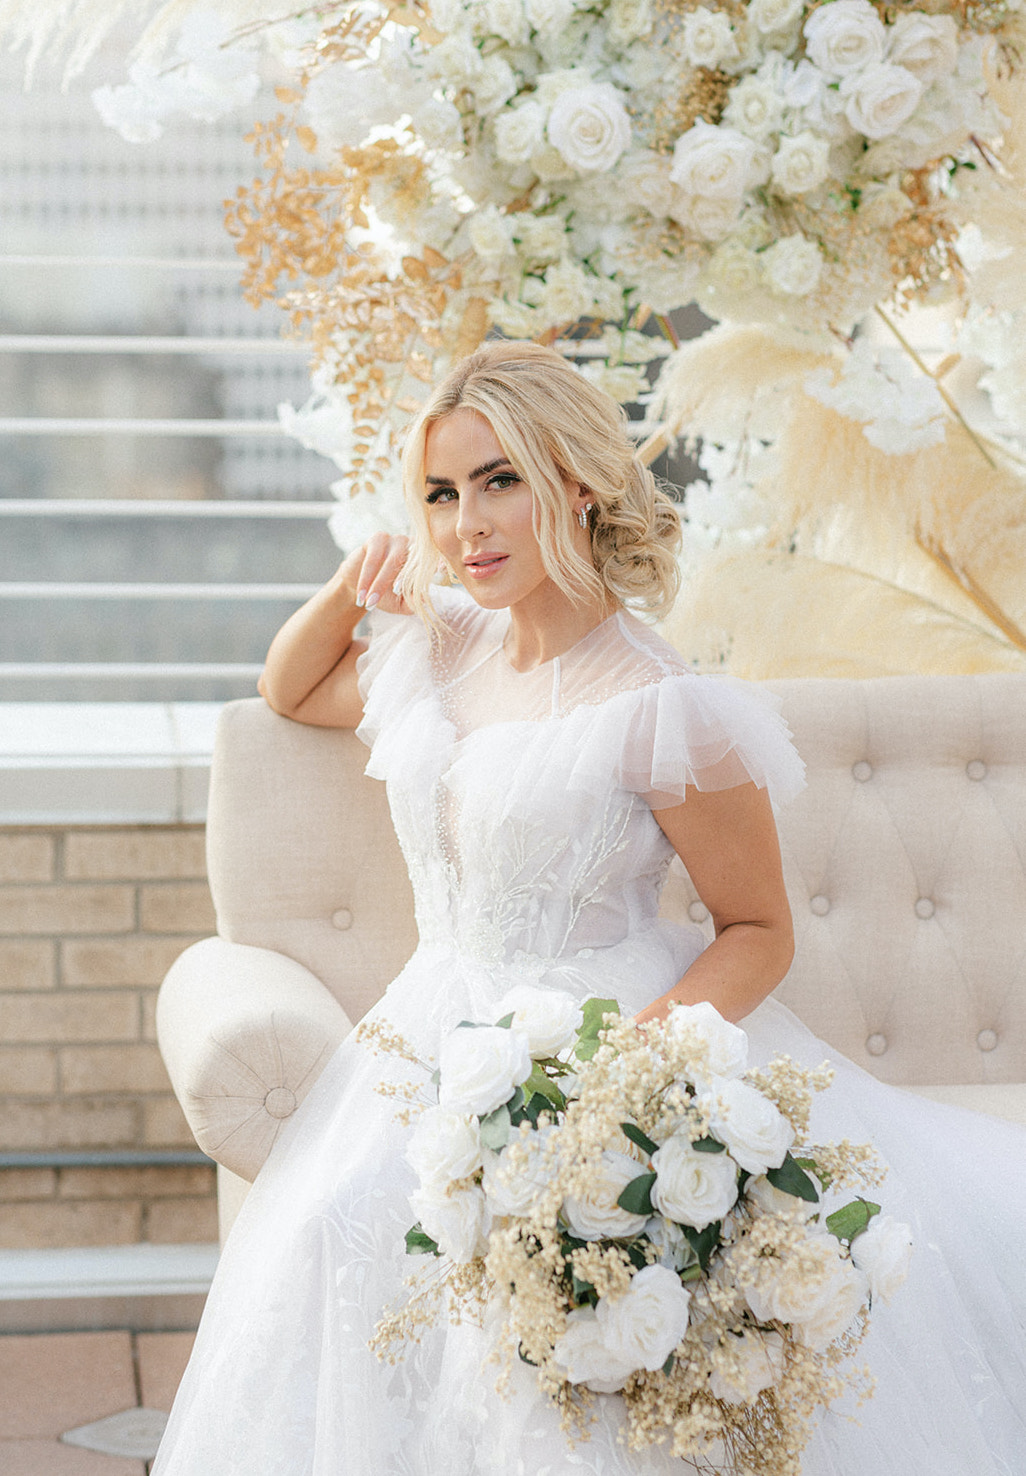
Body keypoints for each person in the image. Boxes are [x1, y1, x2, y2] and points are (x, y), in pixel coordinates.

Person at [153, 342, 1026, 1475]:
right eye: (440, 494)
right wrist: (352, 585)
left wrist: (628, 1078)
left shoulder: (663, 706)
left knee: (539, 1307)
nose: (467, 523)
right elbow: (292, 688)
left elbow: (760, 931)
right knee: (340, 1229)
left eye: (499, 480)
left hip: (599, 1040)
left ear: (576, 482)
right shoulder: (440, 646)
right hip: (427, 1032)